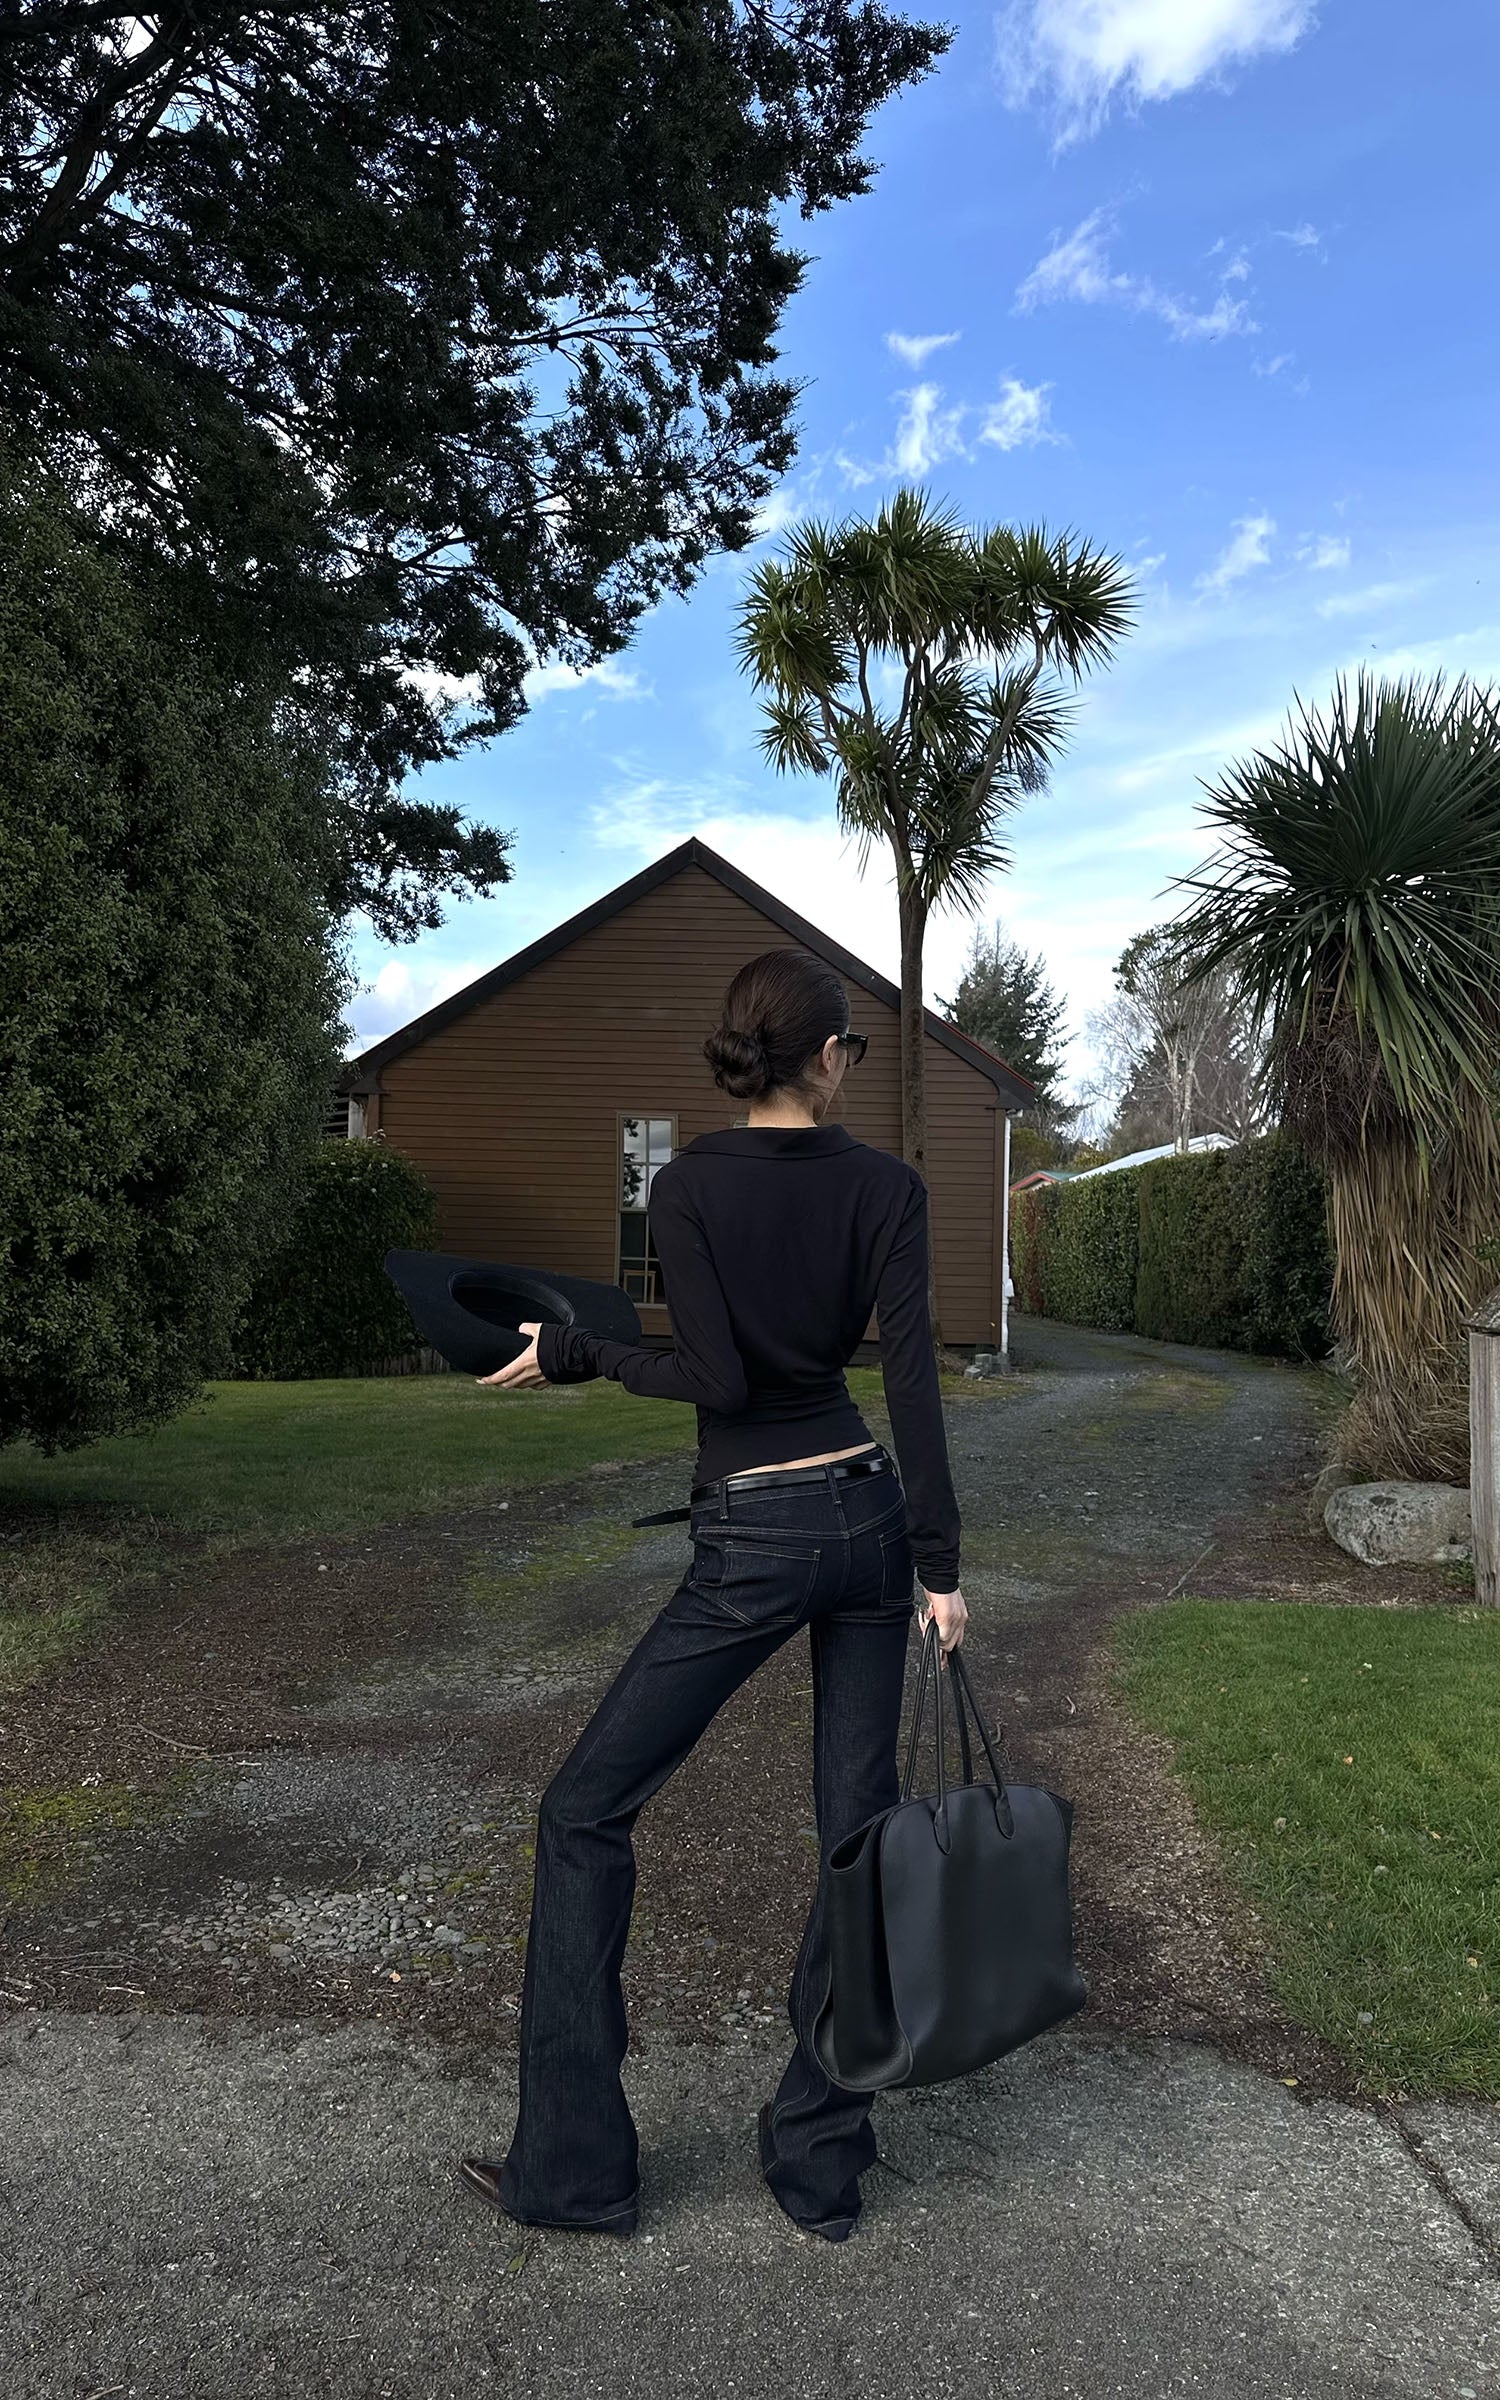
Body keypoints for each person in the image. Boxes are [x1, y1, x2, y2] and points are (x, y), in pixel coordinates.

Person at [457, 945, 967, 2244]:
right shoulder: (891, 1189)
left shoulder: (683, 1187)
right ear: (829, 1056)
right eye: (849, 1049)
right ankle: (819, 2161)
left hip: (756, 1536)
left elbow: (715, 1380)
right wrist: (940, 1566)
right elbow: (913, 1380)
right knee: (857, 1838)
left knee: (584, 1812)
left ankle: (575, 2172)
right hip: (866, 1519)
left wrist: (575, 1353)